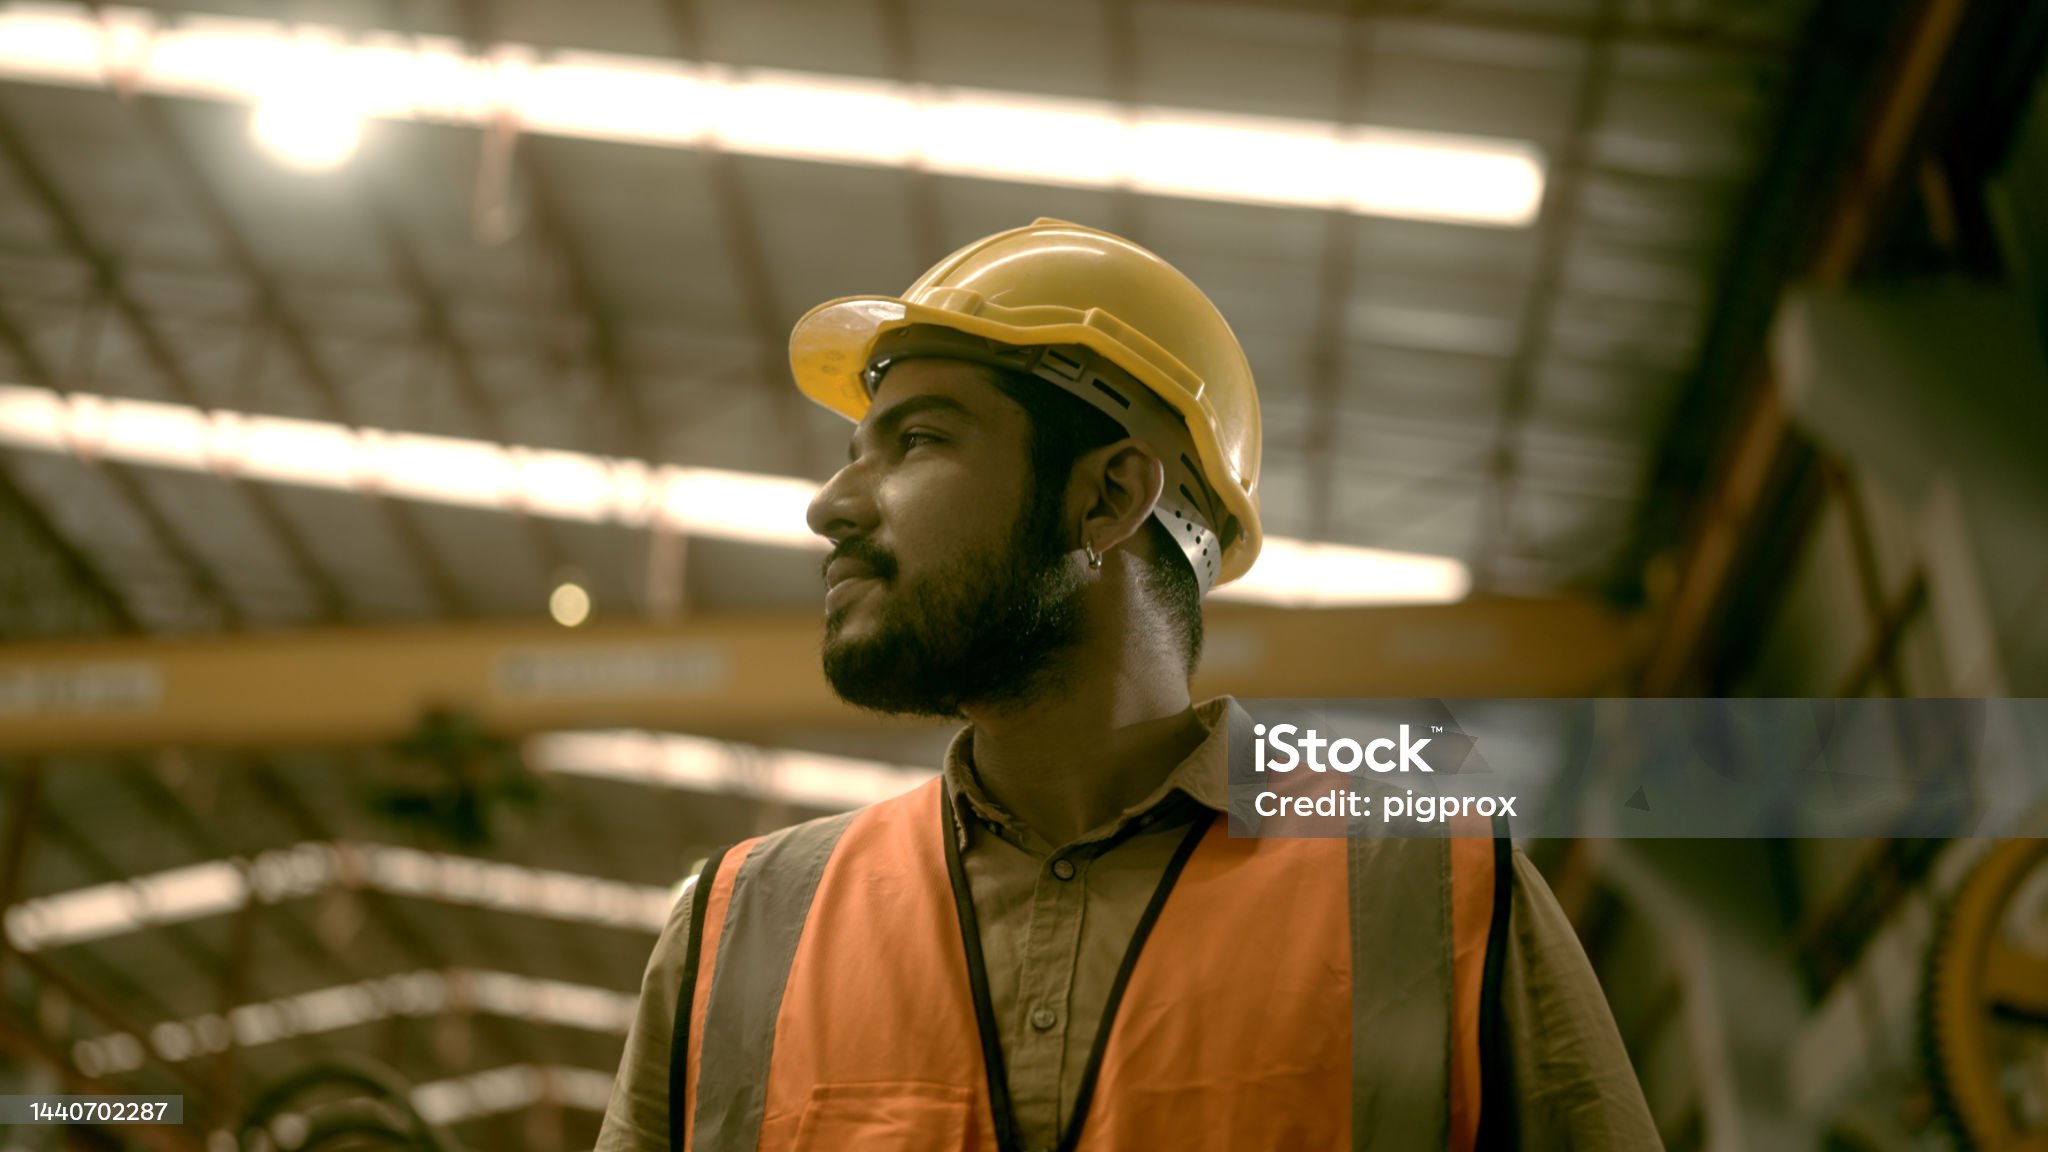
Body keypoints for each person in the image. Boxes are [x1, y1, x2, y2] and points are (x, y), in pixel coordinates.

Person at [596, 219, 1660, 1151]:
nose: (830, 505)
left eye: (916, 440)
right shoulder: (740, 928)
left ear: (1105, 498)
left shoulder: (1428, 885)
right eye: (852, 451)